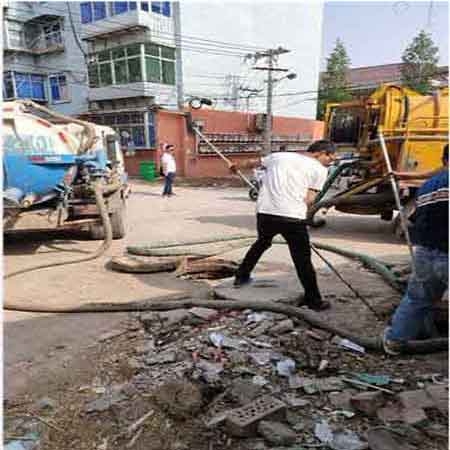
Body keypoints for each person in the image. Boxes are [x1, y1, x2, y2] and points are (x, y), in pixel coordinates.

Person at [229, 140, 337, 311]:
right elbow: (309, 199)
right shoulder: (320, 170)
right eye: (330, 157)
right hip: (292, 217)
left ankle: (241, 277)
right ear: (320, 152)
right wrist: (305, 216)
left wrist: (236, 166)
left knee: (262, 243)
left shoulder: (279, 156)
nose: (331, 161)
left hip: (265, 213)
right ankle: (314, 300)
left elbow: (252, 162)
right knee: (302, 259)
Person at [383, 144, 449, 354]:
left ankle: (395, 341)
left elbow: (415, 220)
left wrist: (401, 173)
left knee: (416, 300)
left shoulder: (429, 184)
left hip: (426, 253)